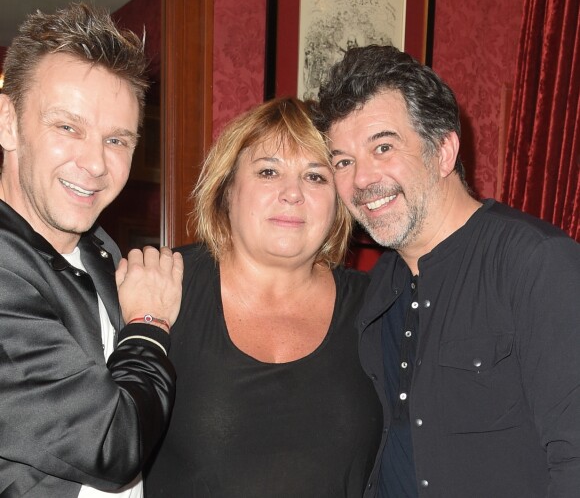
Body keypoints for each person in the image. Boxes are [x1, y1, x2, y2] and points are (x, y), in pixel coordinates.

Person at [313, 45, 580, 498]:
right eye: (343, 160)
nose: (360, 179)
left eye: (383, 146)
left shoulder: (537, 263)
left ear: (443, 152)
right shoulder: (381, 284)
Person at [145, 97, 382, 497]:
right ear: (226, 191)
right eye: (269, 171)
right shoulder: (160, 284)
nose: (292, 194)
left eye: (315, 177)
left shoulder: (378, 308)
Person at [0, 3, 183, 497]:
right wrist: (149, 325)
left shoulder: (99, 250)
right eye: (68, 128)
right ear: (8, 122)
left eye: (117, 140)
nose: (96, 163)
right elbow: (116, 443)